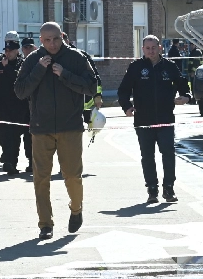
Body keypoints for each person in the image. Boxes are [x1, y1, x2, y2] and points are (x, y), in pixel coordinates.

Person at [14, 22, 97, 240]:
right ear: (40, 40)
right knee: (41, 178)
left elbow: (91, 87)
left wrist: (65, 74)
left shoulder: (76, 58)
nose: (52, 44)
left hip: (70, 127)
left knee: (72, 176)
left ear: (62, 36)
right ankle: (45, 224)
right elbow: (21, 92)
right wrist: (39, 70)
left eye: (56, 39)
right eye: (47, 40)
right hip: (41, 128)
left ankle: (76, 209)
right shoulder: (33, 60)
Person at [117, 35, 191, 204]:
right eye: (147, 48)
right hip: (143, 120)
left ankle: (169, 187)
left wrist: (185, 97)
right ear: (143, 49)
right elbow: (123, 90)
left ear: (160, 48)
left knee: (168, 153)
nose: (151, 51)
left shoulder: (170, 67)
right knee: (147, 156)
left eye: (154, 47)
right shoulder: (135, 67)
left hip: (165, 118)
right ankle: (152, 189)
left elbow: (183, 85)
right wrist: (127, 107)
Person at [0, 36, 31, 174]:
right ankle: (7, 156)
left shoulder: (23, 64)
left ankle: (11, 162)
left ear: (17, 51)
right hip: (0, 107)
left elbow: (20, 81)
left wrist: (7, 69)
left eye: (11, 50)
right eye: (6, 50)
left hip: (18, 107)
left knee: (14, 135)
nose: (8, 53)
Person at [62, 33, 103, 126]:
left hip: (85, 102)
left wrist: (98, 96)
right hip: (65, 105)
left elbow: (94, 77)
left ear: (68, 41)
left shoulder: (81, 56)